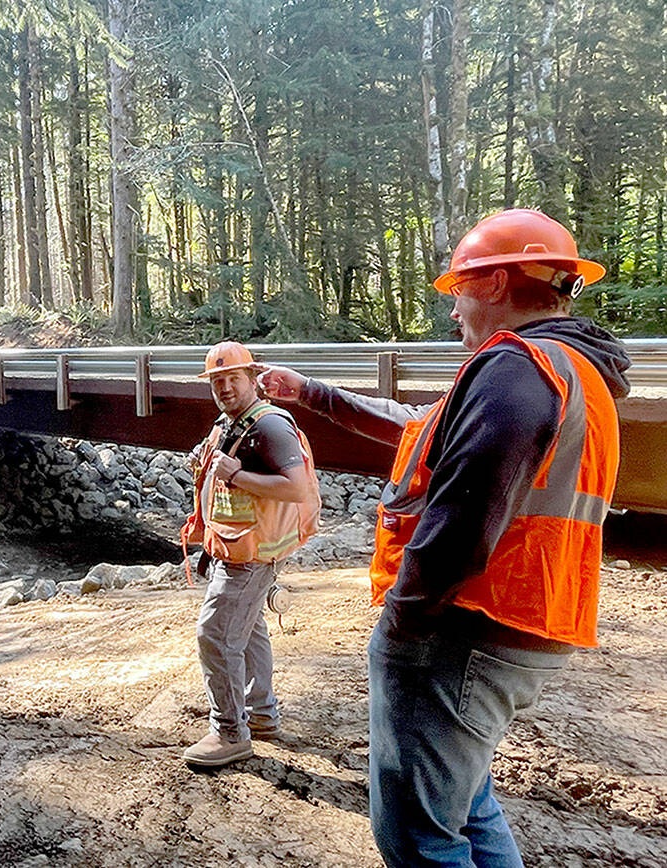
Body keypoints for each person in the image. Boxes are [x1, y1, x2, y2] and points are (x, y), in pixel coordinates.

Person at [256, 209, 630, 866]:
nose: (454, 307)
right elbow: (416, 426)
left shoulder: (517, 366)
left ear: (492, 284)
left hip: (464, 626)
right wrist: (311, 393)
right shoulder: (568, 369)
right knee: (465, 798)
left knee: (417, 836)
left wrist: (404, 619)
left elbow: (467, 509)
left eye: (459, 287)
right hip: (521, 620)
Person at [180, 340, 321, 768]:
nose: (224, 388)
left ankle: (229, 732)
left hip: (252, 555)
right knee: (250, 627)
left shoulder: (269, 426)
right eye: (217, 381)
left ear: (252, 379)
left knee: (216, 636)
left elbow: (296, 488)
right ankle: (260, 715)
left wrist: (236, 473)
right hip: (240, 547)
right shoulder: (232, 423)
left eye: (232, 379)